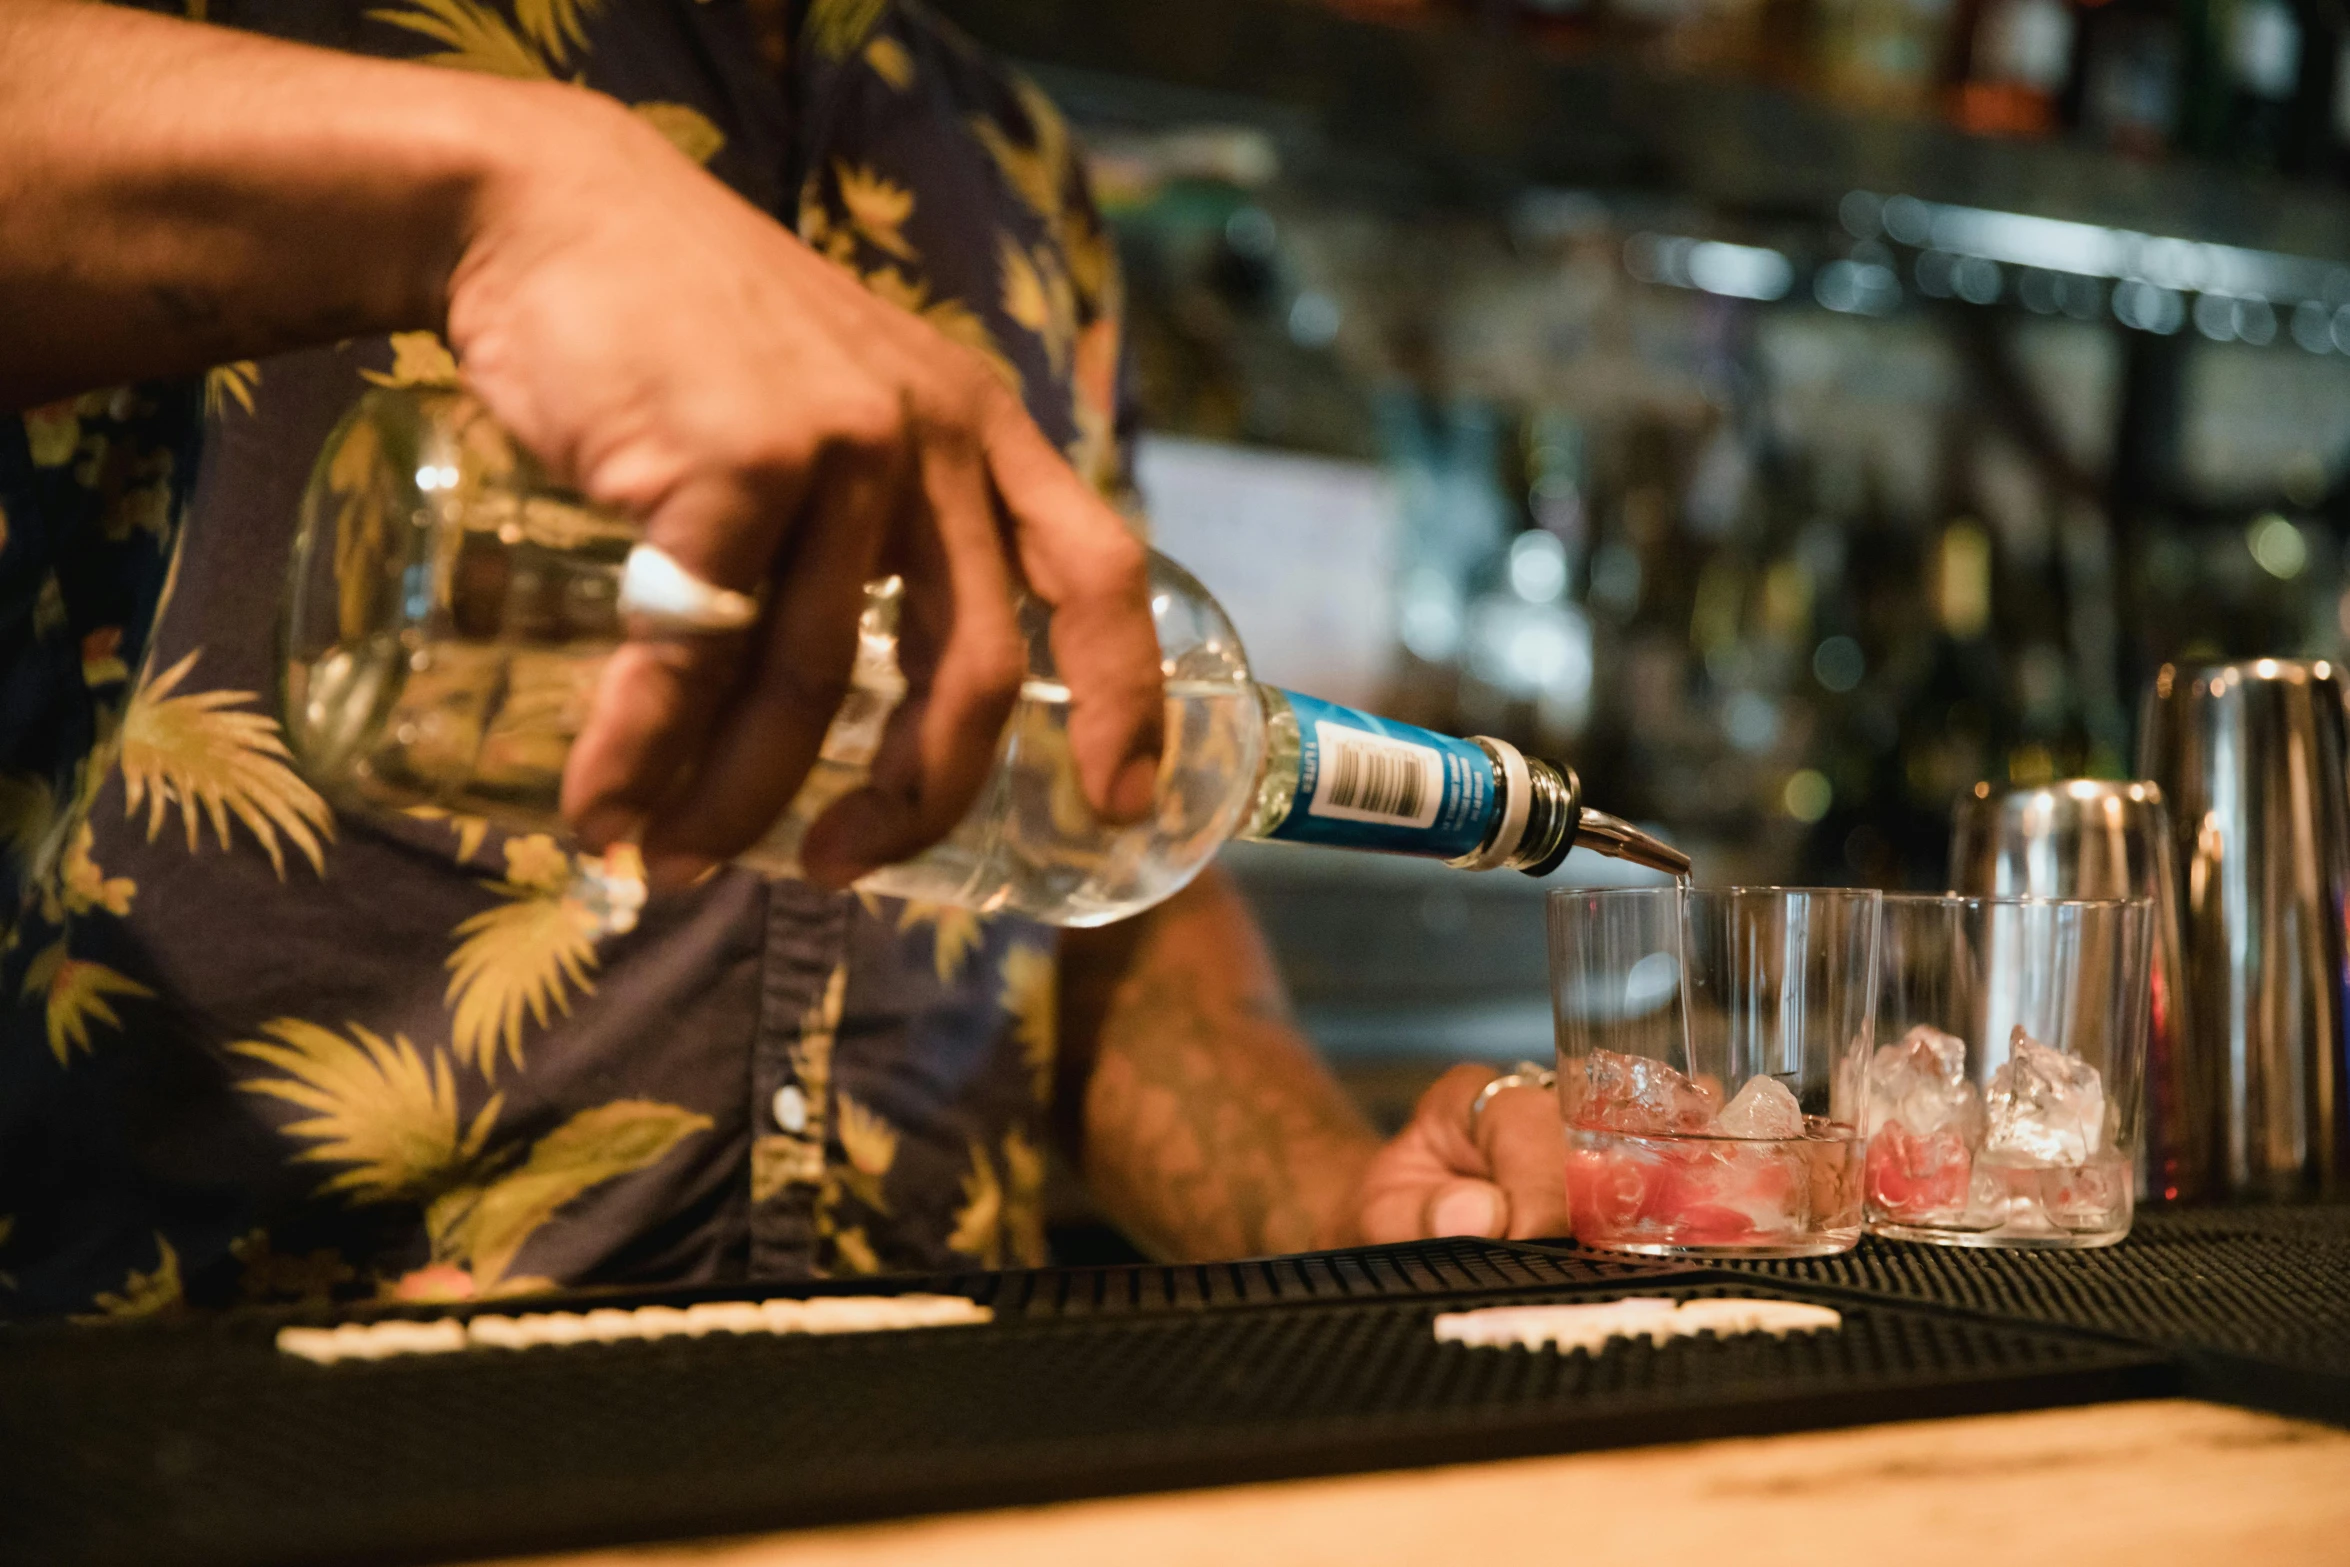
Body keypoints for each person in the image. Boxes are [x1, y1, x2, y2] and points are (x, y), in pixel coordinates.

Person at [0, 0, 1565, 1317]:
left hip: (902, 1449)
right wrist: (508, 185)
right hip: (226, 1429)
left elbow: (1079, 811)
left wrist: (1322, 1193)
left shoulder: (1002, 157)